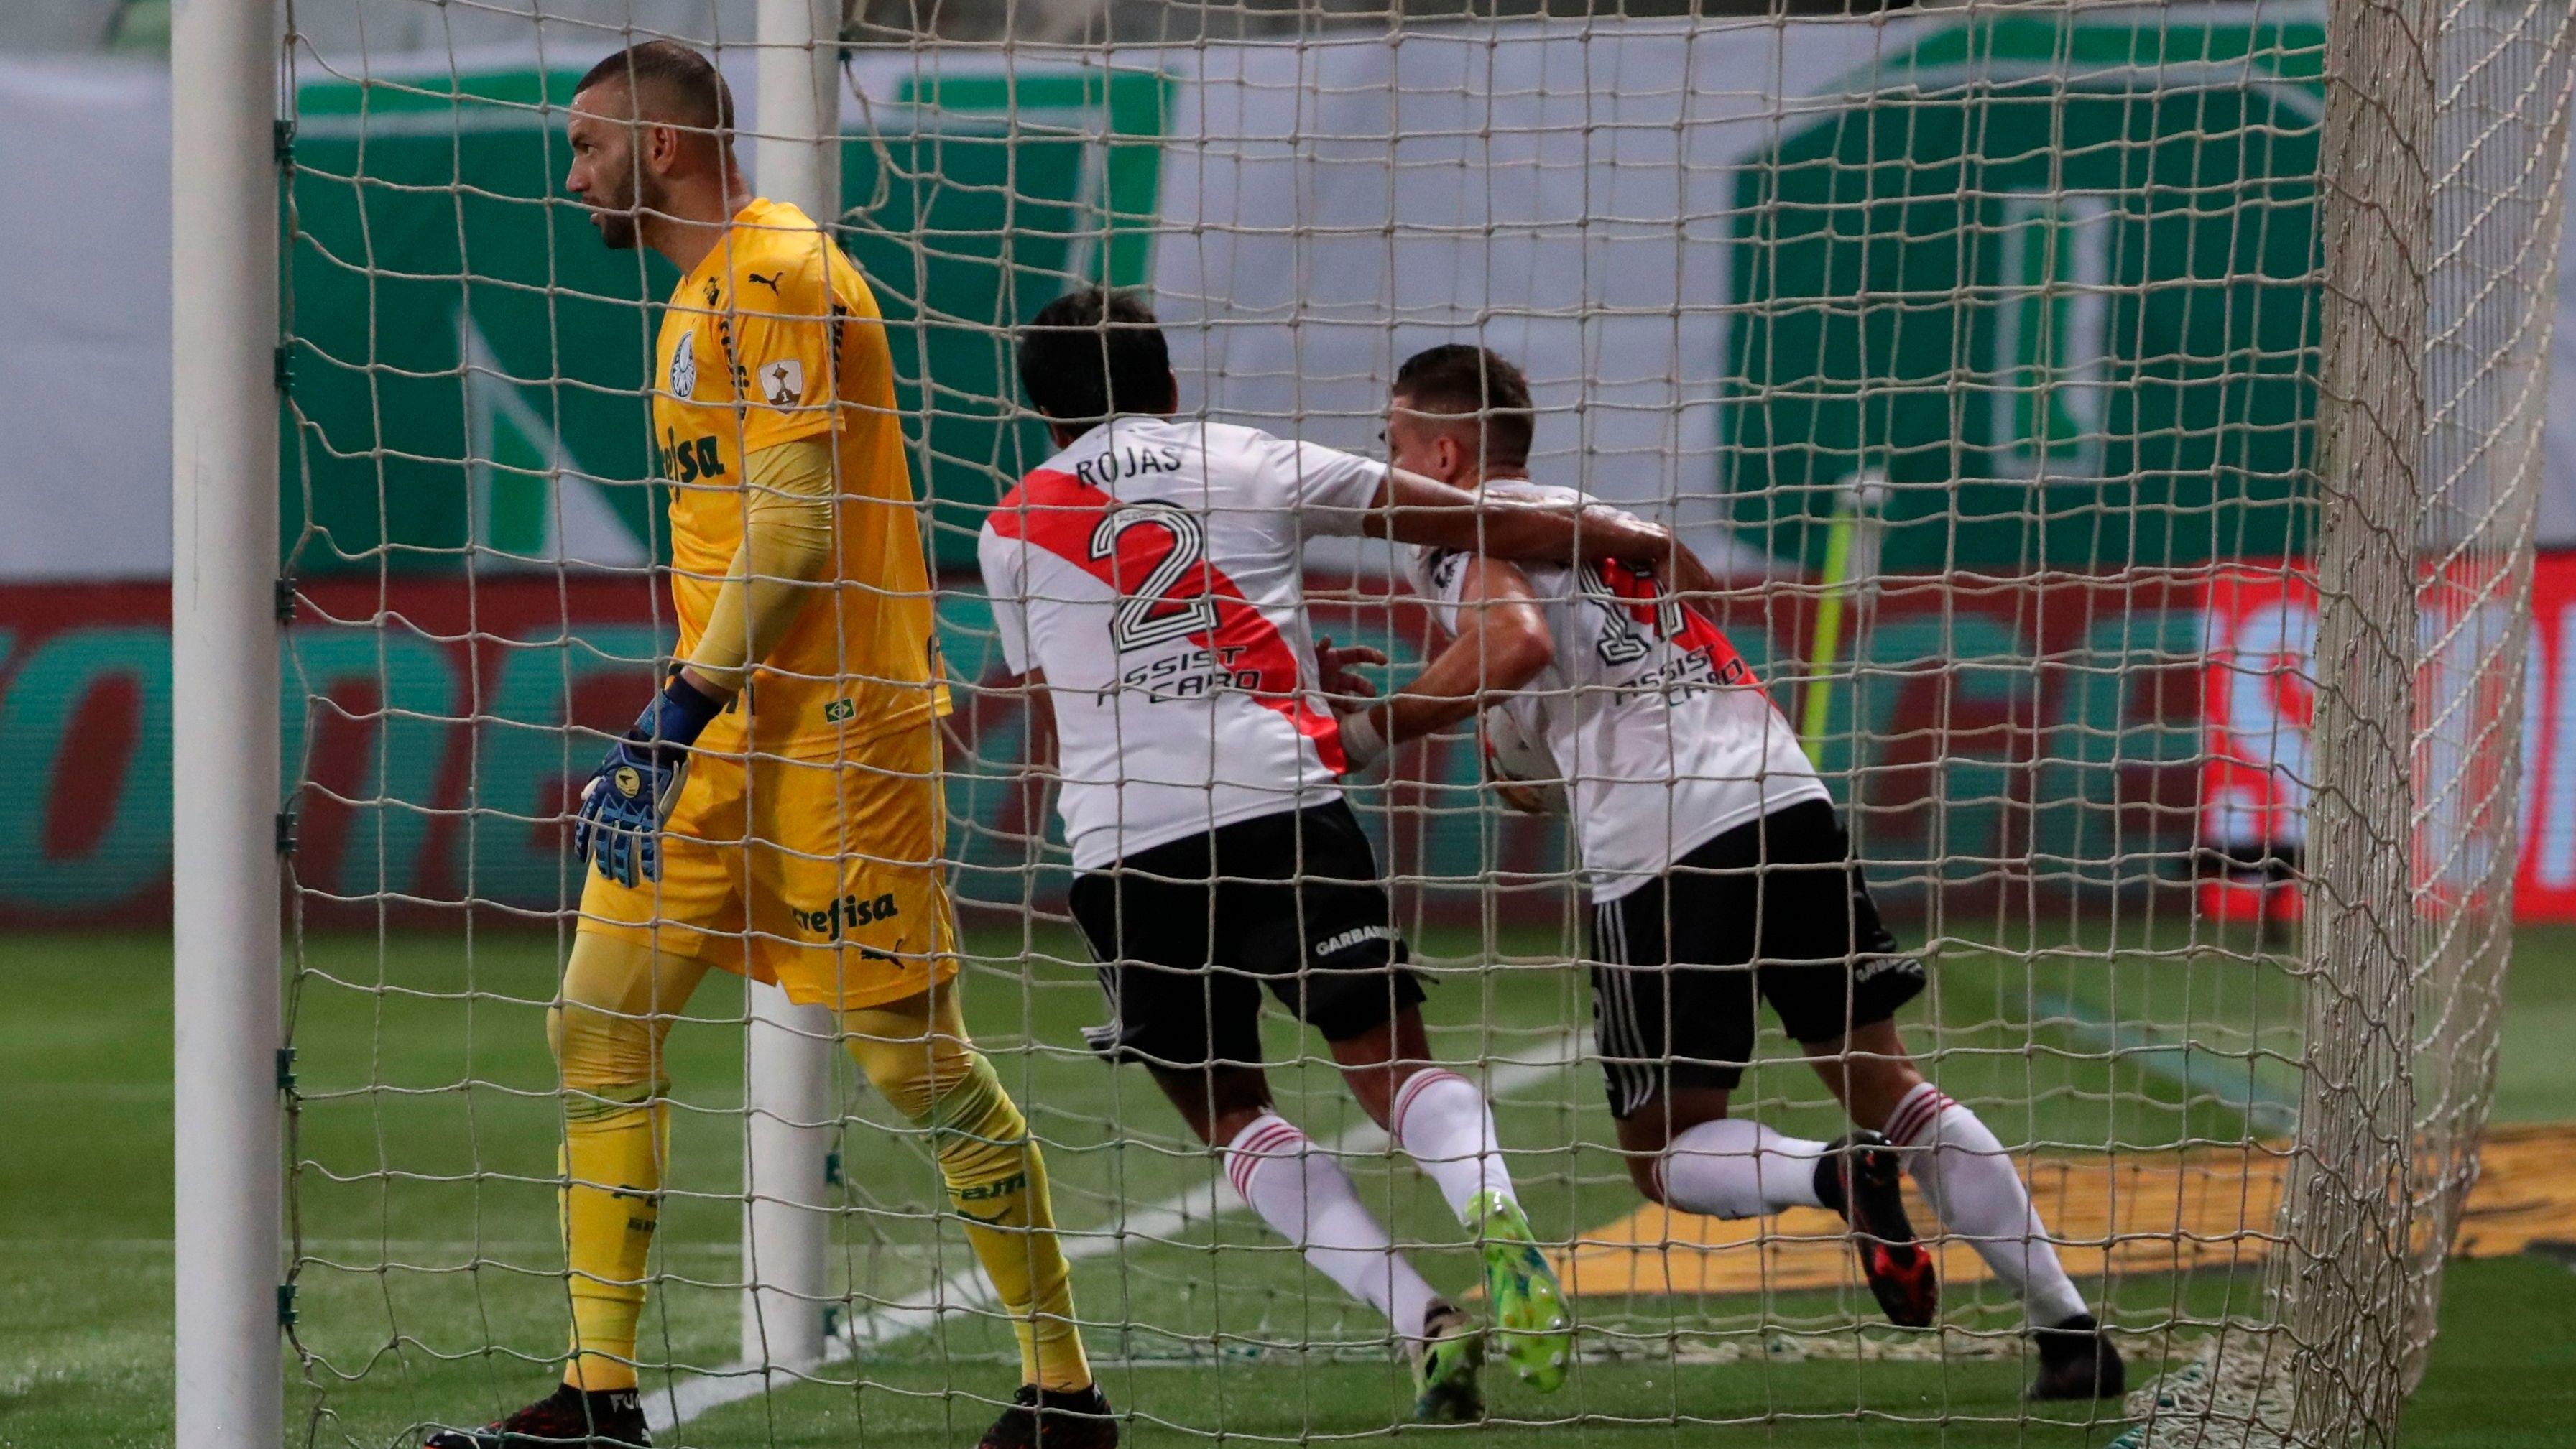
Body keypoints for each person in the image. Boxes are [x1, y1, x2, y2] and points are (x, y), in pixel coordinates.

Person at [426, 42, 1109, 1449]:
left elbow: (796, 531)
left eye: (587, 148)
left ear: (661, 148)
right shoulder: (695, 295)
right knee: (597, 1019)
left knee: (910, 1062)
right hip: (729, 733)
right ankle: (597, 1396)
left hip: (838, 734)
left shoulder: (779, 270)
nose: (575, 178)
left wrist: (675, 705)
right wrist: (694, 713)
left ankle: (1064, 1390)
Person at [978, 287, 1724, 1422]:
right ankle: (1500, 1224)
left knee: (1233, 1114)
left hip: (1129, 846)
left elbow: (1072, 682)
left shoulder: (1008, 528)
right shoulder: (1247, 455)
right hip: (1284, 806)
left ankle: (1418, 1320)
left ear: (1040, 413)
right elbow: (1476, 518)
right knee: (1392, 1070)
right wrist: (1626, 537)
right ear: (1170, 387)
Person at [1329, 343, 2124, 1401]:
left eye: (1390, 440)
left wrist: (1373, 732)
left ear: (1442, 447)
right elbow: (1593, 649)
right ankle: (2069, 1332)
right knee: (1882, 1073)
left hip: (1663, 843)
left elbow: (1513, 645)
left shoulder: (1452, 533)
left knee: (1663, 1150)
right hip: (1778, 787)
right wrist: (1519, 733)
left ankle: (1829, 1175)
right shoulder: (1589, 514)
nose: (1384, 461)